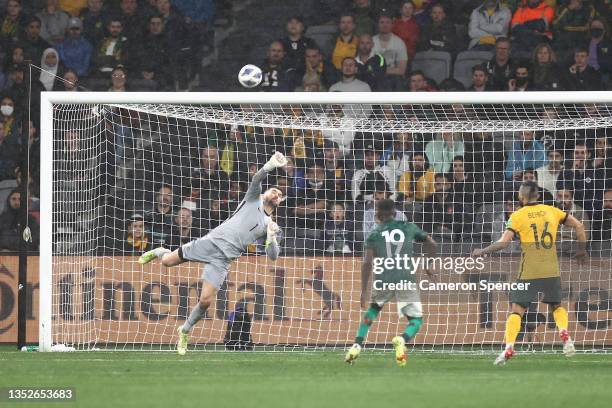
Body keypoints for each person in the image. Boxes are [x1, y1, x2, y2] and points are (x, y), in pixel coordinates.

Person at [138, 152, 287, 355]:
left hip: (223, 259)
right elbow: (257, 178)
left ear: (280, 202)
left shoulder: (270, 225)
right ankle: (159, 251)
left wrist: (270, 237)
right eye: (274, 190)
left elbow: (273, 256)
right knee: (167, 261)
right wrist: (270, 164)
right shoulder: (253, 200)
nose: (276, 194)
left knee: (206, 300)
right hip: (211, 242)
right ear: (265, 194)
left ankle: (184, 330)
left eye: (279, 194)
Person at [472, 181, 586, 365]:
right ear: (538, 196)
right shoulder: (552, 211)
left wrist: (482, 251)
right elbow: (579, 226)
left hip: (529, 271)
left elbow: (504, 243)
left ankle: (509, 347)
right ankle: (565, 335)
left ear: (520, 197)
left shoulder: (517, 215)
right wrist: (581, 250)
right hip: (551, 269)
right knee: (556, 306)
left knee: (516, 311)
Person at [345, 198, 437, 366]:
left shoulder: (374, 233)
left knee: (372, 311)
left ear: (377, 215)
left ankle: (357, 345)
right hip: (405, 277)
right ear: (395, 213)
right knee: (415, 320)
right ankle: (401, 340)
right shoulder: (408, 227)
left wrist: (363, 290)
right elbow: (432, 243)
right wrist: (427, 264)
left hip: (383, 277)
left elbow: (367, 262)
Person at [372, 12, 408, 88]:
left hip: (393, 80)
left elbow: (401, 70)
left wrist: (381, 71)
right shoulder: (371, 41)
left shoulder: (399, 43)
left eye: (388, 22)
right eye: (382, 22)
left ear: (392, 24)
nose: (385, 25)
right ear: (378, 25)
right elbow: (368, 66)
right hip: (374, 78)